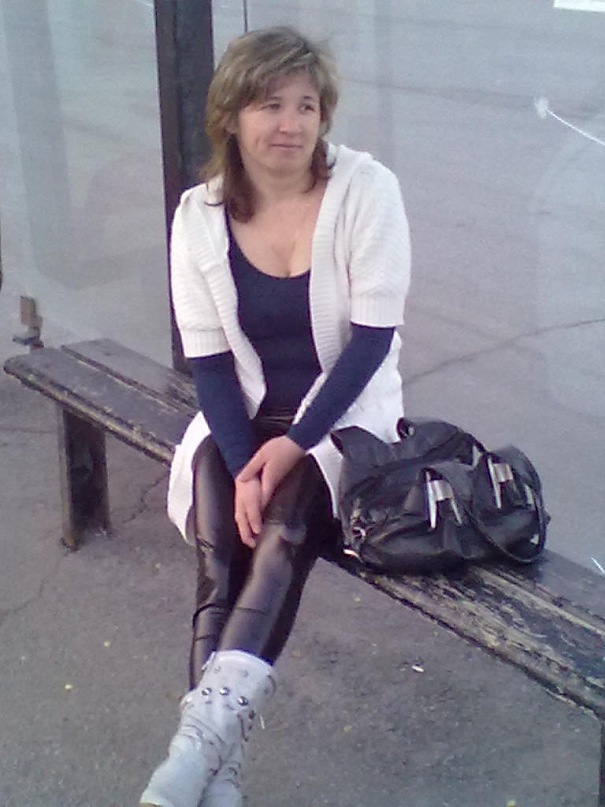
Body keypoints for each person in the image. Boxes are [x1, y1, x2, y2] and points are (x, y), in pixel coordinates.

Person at [139, 25, 411, 807]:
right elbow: (209, 363)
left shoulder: (366, 191)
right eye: (269, 105)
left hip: (343, 416)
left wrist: (292, 446)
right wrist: (239, 462)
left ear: (324, 115)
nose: (290, 124)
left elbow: (370, 341)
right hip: (244, 415)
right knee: (221, 552)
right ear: (231, 116)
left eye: (306, 105)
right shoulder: (198, 216)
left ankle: (194, 757)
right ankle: (216, 769)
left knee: (285, 528)